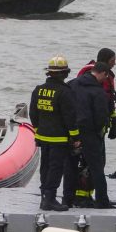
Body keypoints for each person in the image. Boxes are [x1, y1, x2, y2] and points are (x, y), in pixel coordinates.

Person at [29, 55, 80, 211]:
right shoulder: (65, 92)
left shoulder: (38, 90)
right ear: (65, 73)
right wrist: (75, 137)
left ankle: (44, 197)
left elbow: (33, 113)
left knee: (45, 166)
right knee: (56, 168)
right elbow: (70, 117)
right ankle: (50, 199)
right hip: (59, 138)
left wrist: (37, 130)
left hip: (42, 136)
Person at [70, 48, 116, 206]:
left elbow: (109, 102)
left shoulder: (76, 82)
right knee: (95, 164)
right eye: (112, 61)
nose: (115, 63)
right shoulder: (98, 87)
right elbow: (102, 109)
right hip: (92, 131)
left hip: (77, 129)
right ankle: (96, 199)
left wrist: (114, 121)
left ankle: (76, 196)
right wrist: (102, 128)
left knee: (79, 164)